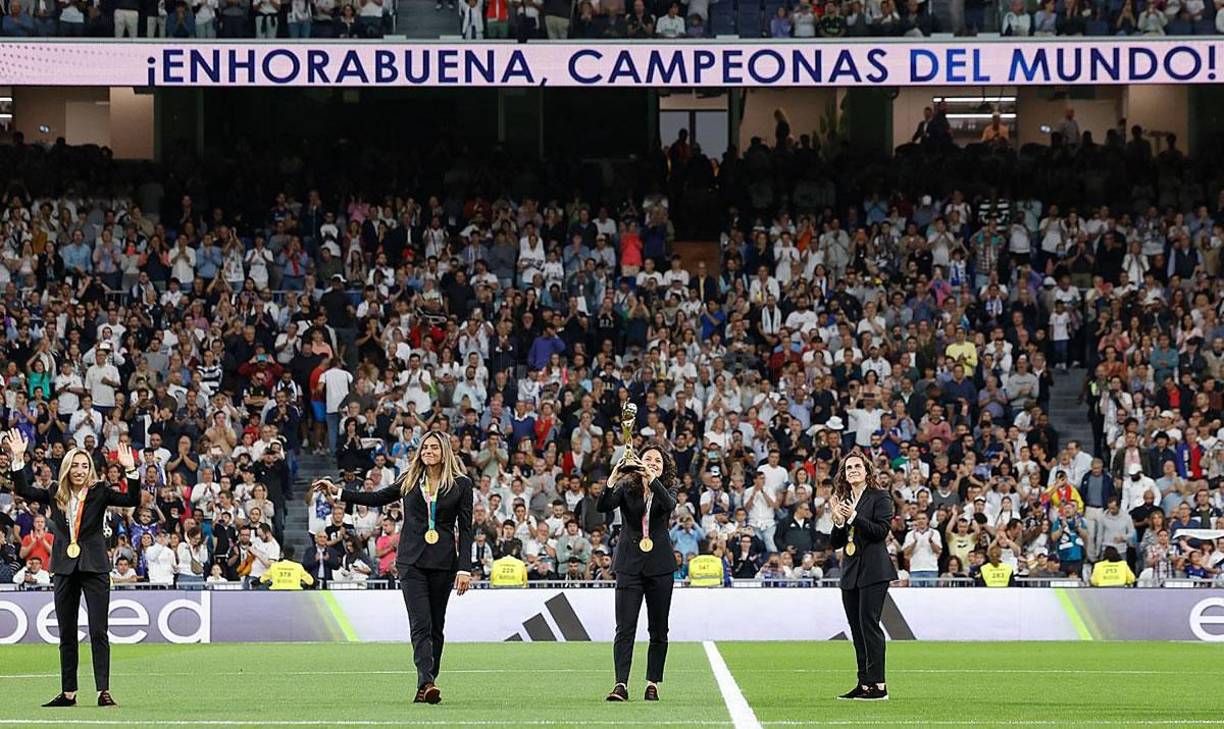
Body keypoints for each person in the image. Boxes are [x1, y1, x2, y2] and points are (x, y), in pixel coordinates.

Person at [314, 431, 473, 704]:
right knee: (420, 623)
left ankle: (427, 683)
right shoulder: (410, 481)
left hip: (444, 563)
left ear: (445, 451)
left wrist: (464, 568)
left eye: (434, 447)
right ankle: (426, 681)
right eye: (425, 447)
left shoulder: (461, 484)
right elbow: (375, 499)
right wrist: (337, 491)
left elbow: (467, 529)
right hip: (411, 562)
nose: (428, 451)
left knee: (437, 626)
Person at [1, 429, 141, 707]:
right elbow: (25, 490)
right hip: (64, 566)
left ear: (90, 469)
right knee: (66, 632)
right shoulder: (55, 492)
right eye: (74, 465)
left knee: (99, 631)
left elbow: (131, 501)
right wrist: (18, 459)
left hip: (95, 566)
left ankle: (104, 691)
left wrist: (131, 471)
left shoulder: (100, 491)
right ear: (66, 468)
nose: (79, 470)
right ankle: (68, 693)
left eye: (84, 465)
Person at [597, 441, 678, 702]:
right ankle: (620, 684)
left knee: (658, 628)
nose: (652, 463)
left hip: (660, 567)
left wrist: (653, 479)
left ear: (663, 468)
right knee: (625, 628)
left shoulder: (667, 489)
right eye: (648, 459)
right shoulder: (626, 487)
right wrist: (613, 477)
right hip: (629, 565)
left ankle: (652, 683)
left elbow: (668, 505)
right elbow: (603, 506)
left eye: (657, 461)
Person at [829, 450, 896, 702]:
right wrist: (837, 521)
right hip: (850, 572)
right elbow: (836, 542)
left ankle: (879, 685)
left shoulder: (880, 497)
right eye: (848, 468)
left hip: (874, 571)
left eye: (857, 466)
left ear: (867, 471)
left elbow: (881, 531)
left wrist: (853, 517)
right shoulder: (844, 500)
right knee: (856, 629)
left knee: (869, 626)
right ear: (844, 475)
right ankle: (864, 683)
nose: (853, 470)